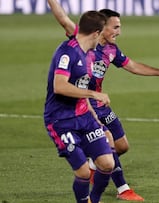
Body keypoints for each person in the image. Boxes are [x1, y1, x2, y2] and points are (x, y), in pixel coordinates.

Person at [47, 0, 159, 201]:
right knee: (107, 141)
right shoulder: (80, 41)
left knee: (122, 146)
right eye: (116, 27)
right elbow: (62, 18)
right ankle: (122, 188)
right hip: (84, 103)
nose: (119, 31)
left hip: (101, 103)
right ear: (102, 28)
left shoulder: (111, 50)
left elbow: (134, 66)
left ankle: (95, 165)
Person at [44, 10, 114, 203]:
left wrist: (98, 122)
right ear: (95, 33)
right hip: (61, 120)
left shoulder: (86, 51)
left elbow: (63, 18)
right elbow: (59, 86)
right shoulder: (68, 52)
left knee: (107, 163)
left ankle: (94, 200)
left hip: (84, 117)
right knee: (83, 172)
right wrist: (93, 93)